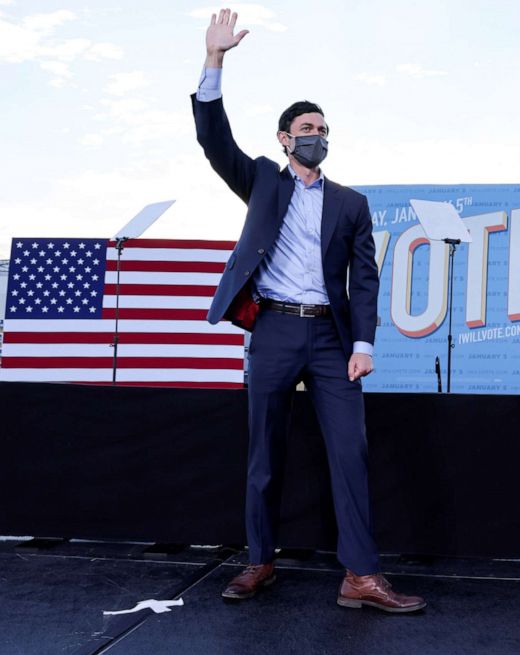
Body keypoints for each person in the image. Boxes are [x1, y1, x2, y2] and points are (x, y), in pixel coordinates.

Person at [191, 8, 424, 613]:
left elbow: (365, 279)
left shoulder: (351, 204)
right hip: (271, 330)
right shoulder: (263, 182)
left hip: (329, 340)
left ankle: (361, 577)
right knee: (264, 455)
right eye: (306, 125)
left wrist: (363, 344)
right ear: (285, 138)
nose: (317, 132)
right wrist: (214, 61)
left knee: (351, 453)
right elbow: (214, 141)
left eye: (324, 126)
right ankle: (260, 562)